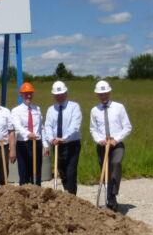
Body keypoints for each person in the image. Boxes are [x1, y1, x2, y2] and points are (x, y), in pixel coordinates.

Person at [89, 79, 132, 212]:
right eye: (101, 94)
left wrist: (116, 139)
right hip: (102, 145)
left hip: (116, 145)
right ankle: (109, 200)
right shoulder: (94, 110)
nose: (103, 96)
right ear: (97, 95)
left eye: (105, 93)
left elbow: (127, 127)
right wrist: (99, 140)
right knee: (105, 172)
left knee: (116, 164)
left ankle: (112, 195)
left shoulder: (119, 107)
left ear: (109, 92)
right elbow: (93, 129)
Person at [42, 80, 82, 194]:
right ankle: (66, 192)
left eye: (61, 94)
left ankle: (72, 196)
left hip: (71, 144)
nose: (59, 97)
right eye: (57, 95)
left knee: (71, 172)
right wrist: (51, 139)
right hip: (57, 144)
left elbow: (75, 125)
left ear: (66, 93)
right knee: (62, 171)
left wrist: (64, 138)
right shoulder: (51, 109)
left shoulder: (74, 107)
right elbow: (48, 126)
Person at [10, 82, 43, 186]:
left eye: (30, 93)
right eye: (26, 93)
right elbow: (17, 125)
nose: (28, 96)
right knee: (23, 174)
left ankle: (37, 194)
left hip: (36, 143)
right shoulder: (16, 111)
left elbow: (41, 127)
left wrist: (45, 145)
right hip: (23, 144)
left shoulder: (37, 109)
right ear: (21, 95)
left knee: (36, 173)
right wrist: (28, 134)